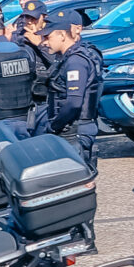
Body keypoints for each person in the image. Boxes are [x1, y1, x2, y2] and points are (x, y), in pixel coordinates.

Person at [30, 11, 105, 164]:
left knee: (76, 179)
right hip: (72, 128)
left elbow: (74, 103)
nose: (44, 42)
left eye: (48, 37)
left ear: (62, 36)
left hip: (74, 130)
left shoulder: (75, 61)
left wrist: (53, 125)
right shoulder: (69, 58)